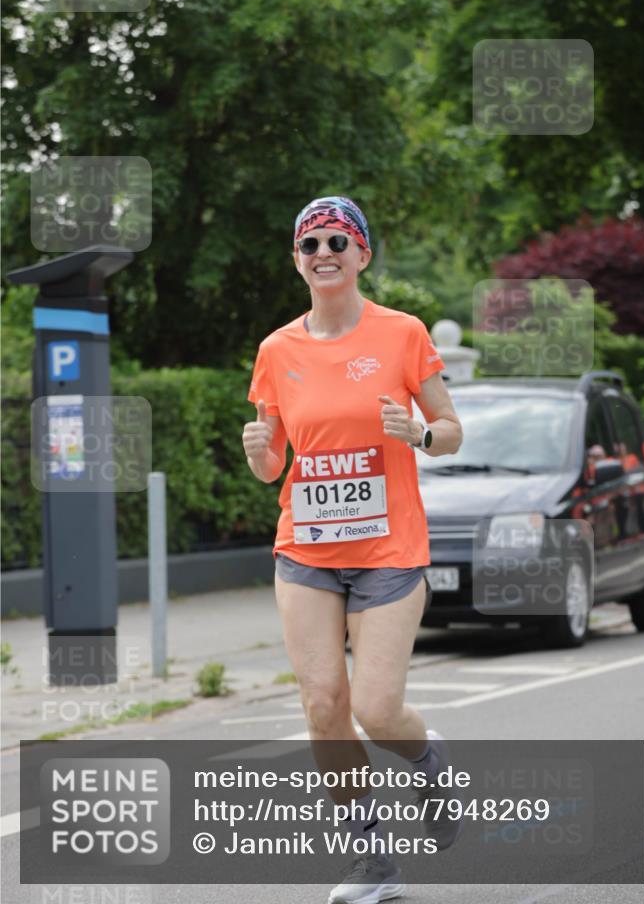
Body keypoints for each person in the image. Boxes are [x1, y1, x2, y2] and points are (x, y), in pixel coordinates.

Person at [243, 195, 463, 904]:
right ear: (298, 263)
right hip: (304, 549)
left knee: (376, 706)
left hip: (389, 551)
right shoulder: (277, 350)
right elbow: (274, 467)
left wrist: (419, 435)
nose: (324, 252)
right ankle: (371, 861)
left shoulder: (401, 334)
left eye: (339, 240)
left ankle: (428, 766)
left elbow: (450, 428)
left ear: (362, 254)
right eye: (310, 244)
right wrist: (258, 452)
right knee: (321, 705)